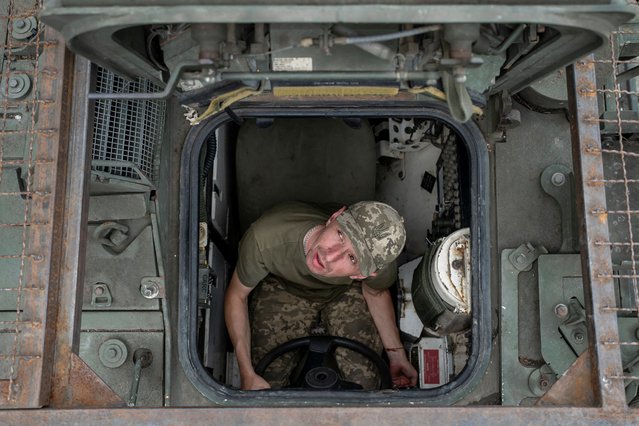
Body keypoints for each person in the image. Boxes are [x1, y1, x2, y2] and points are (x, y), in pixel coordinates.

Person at [224, 200, 418, 390]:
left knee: (366, 385)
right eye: (340, 235)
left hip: (344, 291)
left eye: (351, 258)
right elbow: (237, 296)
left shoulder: (380, 268)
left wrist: (397, 355)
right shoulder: (264, 238)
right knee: (265, 382)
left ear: (363, 274)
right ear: (334, 217)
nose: (329, 256)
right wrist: (246, 373)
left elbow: (374, 293)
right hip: (285, 286)